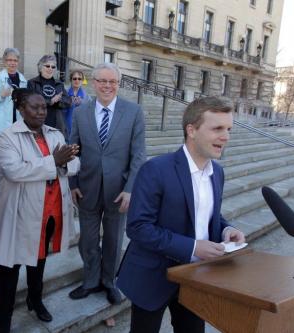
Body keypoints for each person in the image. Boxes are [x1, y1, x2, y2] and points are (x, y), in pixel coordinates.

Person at [116, 97, 246, 333]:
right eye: (217, 128)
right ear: (192, 130)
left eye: (228, 129)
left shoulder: (217, 172)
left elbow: (206, 217)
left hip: (196, 279)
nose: (226, 136)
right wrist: (193, 247)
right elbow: (137, 227)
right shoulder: (155, 169)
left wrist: (227, 229)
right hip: (152, 276)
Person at [0, 88, 80, 333]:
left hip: (49, 211)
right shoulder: (8, 136)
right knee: (9, 268)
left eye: (44, 107)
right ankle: (4, 319)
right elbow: (14, 171)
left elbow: (75, 164)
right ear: (20, 109)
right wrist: (54, 162)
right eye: (34, 107)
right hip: (19, 214)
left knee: (38, 262)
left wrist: (60, 164)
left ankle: (35, 300)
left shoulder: (55, 133)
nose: (41, 112)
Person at [68, 62, 146, 305]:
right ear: (93, 82)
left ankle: (110, 282)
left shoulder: (133, 112)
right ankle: (91, 281)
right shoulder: (81, 112)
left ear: (118, 84)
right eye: (102, 81)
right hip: (87, 187)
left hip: (118, 191)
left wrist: (130, 189)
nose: (107, 86)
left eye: (112, 81)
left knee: (113, 239)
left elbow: (139, 155)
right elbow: (73, 150)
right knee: (88, 240)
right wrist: (72, 183)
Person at [0, 47, 27, 180]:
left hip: (17, 125)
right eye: (9, 60)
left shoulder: (23, 80)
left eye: (15, 60)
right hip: (1, 126)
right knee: (0, 158)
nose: (12, 63)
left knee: (16, 156)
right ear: (4, 61)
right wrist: (0, 95)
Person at [27, 54, 71, 136]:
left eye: (53, 67)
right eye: (47, 66)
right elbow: (31, 102)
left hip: (56, 125)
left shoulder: (59, 84)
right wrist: (50, 101)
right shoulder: (32, 83)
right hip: (38, 123)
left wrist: (58, 101)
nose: (50, 68)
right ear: (40, 67)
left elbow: (68, 101)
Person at [64, 69, 88, 139]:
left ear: (82, 81)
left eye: (79, 79)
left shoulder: (86, 95)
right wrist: (68, 103)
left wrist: (82, 103)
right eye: (74, 78)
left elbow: (90, 110)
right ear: (71, 80)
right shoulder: (65, 92)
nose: (77, 81)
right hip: (66, 125)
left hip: (80, 127)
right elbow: (60, 109)